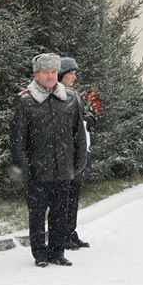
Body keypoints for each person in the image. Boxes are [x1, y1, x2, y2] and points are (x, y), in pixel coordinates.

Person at [11, 53, 87, 267]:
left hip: (64, 168)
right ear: (36, 74)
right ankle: (40, 254)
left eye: (54, 72)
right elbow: (18, 140)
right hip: (37, 171)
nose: (50, 76)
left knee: (60, 213)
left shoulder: (70, 98)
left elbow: (78, 134)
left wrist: (78, 162)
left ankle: (57, 252)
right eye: (45, 72)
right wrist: (24, 169)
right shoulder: (26, 101)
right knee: (37, 215)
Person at [59, 57, 94, 250]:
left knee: (74, 196)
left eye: (75, 73)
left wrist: (88, 119)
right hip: (66, 154)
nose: (74, 76)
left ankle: (71, 231)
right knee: (65, 197)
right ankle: (63, 233)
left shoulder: (74, 95)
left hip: (79, 152)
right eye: (70, 73)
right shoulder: (59, 95)